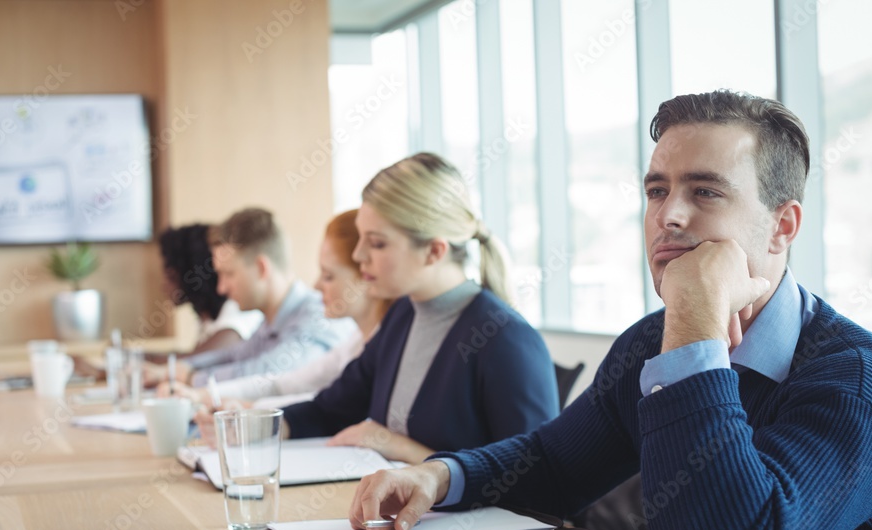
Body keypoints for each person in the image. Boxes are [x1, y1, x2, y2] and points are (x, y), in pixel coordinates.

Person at [348, 91, 872, 530]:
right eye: (657, 190)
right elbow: (553, 464)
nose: (668, 216)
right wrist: (440, 477)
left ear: (783, 226)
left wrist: (694, 322)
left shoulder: (861, 382)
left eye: (705, 191)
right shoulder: (650, 341)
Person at [280, 153, 561, 464]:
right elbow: (330, 409)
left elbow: (534, 480)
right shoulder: (402, 315)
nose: (359, 255)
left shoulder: (505, 339)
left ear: (434, 251)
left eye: (376, 243)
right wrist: (261, 427)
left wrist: (403, 449)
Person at [163, 209, 391, 408]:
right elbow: (268, 376)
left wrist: (194, 380)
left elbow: (274, 375)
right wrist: (188, 377)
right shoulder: (269, 322)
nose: (221, 288)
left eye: (228, 273)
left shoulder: (318, 317)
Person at [145, 223, 263, 364]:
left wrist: (136, 358)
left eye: (170, 276)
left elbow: (195, 361)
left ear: (192, 275)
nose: (163, 285)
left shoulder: (239, 311)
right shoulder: (209, 317)